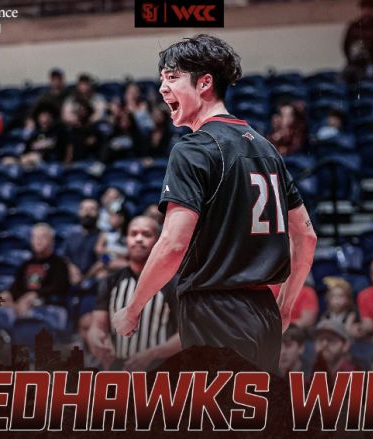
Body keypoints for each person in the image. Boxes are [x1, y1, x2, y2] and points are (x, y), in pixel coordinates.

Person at [112, 34, 317, 372]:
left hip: (216, 311)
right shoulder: (266, 148)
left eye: (172, 77)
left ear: (204, 83)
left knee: (215, 408)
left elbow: (173, 243)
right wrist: (284, 305)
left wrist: (133, 309)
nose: (162, 88)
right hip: (264, 313)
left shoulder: (194, 148)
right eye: (162, 78)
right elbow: (306, 237)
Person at [87, 216, 180, 371]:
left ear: (158, 241)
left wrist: (152, 354)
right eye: (133, 234)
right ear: (126, 240)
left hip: (160, 370)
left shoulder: (172, 282)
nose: (138, 239)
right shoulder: (110, 281)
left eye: (146, 234)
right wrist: (96, 338)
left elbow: (185, 335)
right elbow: (96, 326)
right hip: (118, 369)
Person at [0, 223, 70, 317]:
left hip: (45, 303)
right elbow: (17, 285)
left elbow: (58, 287)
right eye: (35, 237)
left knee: (27, 303)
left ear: (52, 241)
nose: (38, 241)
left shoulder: (59, 263)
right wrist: (8, 294)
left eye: (42, 237)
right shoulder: (26, 264)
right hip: (22, 301)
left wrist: (36, 294)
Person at [342, 0, 373, 82]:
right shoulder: (353, 26)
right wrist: (350, 59)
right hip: (353, 63)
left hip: (371, 64)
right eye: (365, 8)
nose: (367, 11)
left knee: (366, 84)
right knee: (341, 81)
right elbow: (345, 45)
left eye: (369, 9)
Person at [61, 199, 103, 287]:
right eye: (84, 209)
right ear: (79, 212)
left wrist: (89, 274)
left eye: (92, 209)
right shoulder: (72, 235)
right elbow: (64, 256)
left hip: (94, 280)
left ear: (98, 213)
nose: (87, 213)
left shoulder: (104, 236)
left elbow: (108, 258)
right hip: (72, 278)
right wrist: (71, 269)